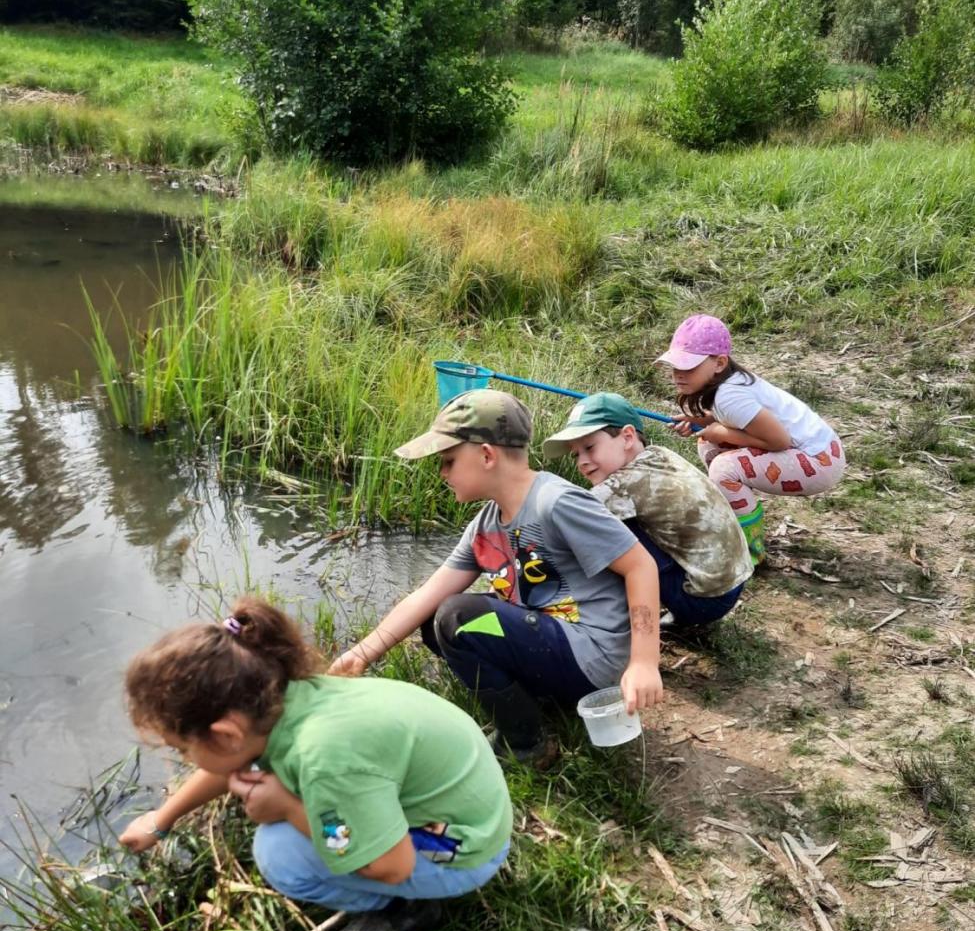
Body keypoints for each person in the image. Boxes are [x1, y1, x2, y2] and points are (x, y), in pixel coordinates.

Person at [119, 596, 513, 931]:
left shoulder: (324, 758)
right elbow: (226, 766)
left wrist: (290, 810)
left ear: (225, 734)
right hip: (464, 804)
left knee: (280, 855)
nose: (185, 758)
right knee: (298, 821)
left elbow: (390, 865)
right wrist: (160, 820)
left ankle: (408, 909)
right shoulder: (284, 699)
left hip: (468, 847)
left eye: (181, 749)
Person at [328, 389, 664, 764]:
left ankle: (527, 744)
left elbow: (640, 566)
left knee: (458, 617)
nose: (441, 473)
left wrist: (644, 662)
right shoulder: (486, 524)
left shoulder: (556, 502)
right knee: (436, 617)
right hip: (551, 642)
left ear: (487, 455)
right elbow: (426, 594)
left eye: (448, 460)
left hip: (592, 655)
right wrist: (359, 655)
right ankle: (529, 702)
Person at [542, 393, 752, 627]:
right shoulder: (658, 455)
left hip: (703, 600)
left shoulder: (626, 484)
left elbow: (568, 514)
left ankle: (609, 617)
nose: (582, 461)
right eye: (575, 454)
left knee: (596, 530)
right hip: (733, 580)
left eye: (589, 447)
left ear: (628, 437)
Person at [657, 314, 846, 564]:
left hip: (819, 463)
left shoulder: (729, 396)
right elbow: (735, 420)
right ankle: (735, 514)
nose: (678, 374)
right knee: (709, 444)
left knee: (724, 468)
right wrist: (702, 422)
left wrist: (718, 431)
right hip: (822, 451)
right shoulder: (729, 385)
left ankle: (749, 553)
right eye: (676, 366)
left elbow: (778, 441)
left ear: (719, 363)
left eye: (689, 367)